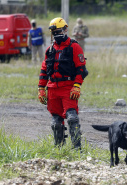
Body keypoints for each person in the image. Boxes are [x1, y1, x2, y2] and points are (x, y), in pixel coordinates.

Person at [38, 17, 88, 149]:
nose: (57, 34)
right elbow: (44, 70)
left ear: (66, 29)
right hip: (53, 89)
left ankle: (77, 149)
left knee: (72, 118)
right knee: (56, 122)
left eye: (59, 31)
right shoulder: (49, 50)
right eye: (54, 32)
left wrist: (77, 85)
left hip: (68, 88)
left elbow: (81, 69)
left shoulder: (74, 46)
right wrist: (41, 88)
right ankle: (59, 149)